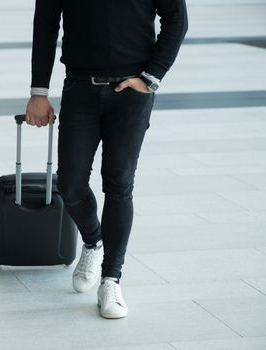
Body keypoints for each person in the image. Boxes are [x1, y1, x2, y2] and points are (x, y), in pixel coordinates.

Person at [24, 0, 188, 319]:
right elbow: (44, 23)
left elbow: (176, 20)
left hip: (131, 93)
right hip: (80, 88)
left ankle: (111, 280)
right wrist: (39, 92)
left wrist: (151, 77)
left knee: (118, 182)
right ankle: (93, 242)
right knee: (70, 185)